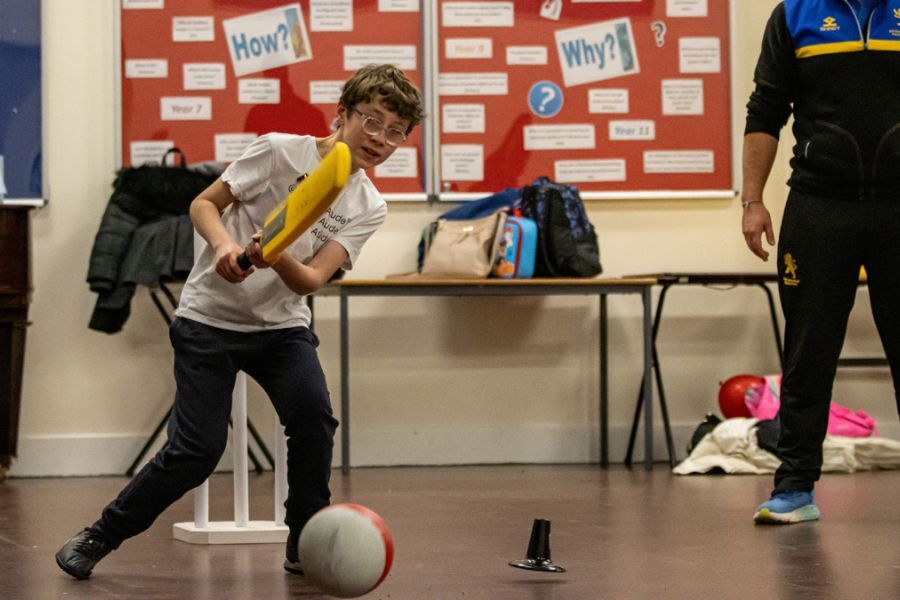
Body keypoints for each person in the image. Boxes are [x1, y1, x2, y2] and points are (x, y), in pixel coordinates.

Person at [56, 63, 423, 578]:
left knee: (314, 421)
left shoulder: (370, 204)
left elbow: (313, 279)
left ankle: (304, 541)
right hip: (208, 320)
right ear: (342, 115)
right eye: (373, 121)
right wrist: (226, 244)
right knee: (196, 451)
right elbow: (204, 203)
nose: (381, 139)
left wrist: (276, 258)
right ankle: (100, 535)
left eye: (396, 132)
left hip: (281, 330)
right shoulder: (277, 150)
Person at [741, 0, 899, 524]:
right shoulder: (795, 15)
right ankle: (794, 490)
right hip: (818, 205)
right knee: (808, 350)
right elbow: (765, 111)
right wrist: (753, 200)